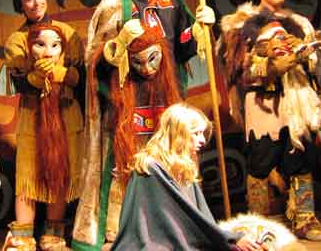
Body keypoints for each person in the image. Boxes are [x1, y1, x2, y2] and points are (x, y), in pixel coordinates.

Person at [72, 0, 215, 250]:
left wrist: (200, 27)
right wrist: (120, 44)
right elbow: (94, 58)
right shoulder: (114, 1)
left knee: (169, 160)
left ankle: (171, 227)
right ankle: (118, 231)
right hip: (128, 100)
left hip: (165, 97)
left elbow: (183, 44)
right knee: (127, 163)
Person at [219, 0, 321, 241]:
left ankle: (305, 219)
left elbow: (317, 64)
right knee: (260, 163)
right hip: (263, 102)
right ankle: (257, 225)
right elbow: (236, 68)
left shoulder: (300, 22)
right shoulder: (242, 23)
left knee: (301, 160)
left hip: (297, 100)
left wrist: (310, 56)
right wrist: (270, 67)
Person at [111, 103, 300, 251]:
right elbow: (181, 220)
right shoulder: (151, 168)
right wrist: (229, 239)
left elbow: (201, 218)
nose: (202, 140)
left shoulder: (183, 167)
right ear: (179, 134)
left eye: (202, 133)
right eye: (196, 134)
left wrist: (226, 239)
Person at [3, 0, 84, 251]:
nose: (35, 2)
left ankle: (54, 235)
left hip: (65, 113)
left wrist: (65, 74)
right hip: (33, 115)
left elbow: (83, 76)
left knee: (58, 171)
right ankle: (23, 237)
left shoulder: (68, 32)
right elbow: (19, 81)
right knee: (29, 173)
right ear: (21, 5)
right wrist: (36, 78)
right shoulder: (16, 39)